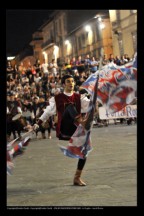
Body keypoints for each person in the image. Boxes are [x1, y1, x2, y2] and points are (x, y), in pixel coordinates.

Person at [33, 74, 90, 186]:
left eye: (73, 81)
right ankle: (81, 121)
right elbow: (48, 112)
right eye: (68, 81)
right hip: (64, 128)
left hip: (75, 129)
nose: (71, 83)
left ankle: (77, 177)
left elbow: (90, 104)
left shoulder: (79, 97)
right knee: (69, 107)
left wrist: (96, 96)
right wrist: (38, 124)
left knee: (85, 151)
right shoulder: (57, 98)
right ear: (64, 84)